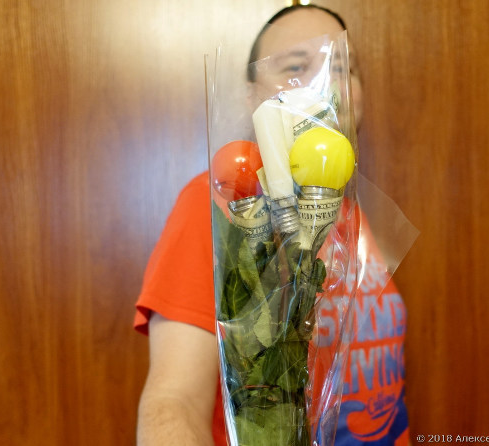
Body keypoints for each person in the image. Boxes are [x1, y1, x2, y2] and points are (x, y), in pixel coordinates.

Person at [135, 5, 409, 446]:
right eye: (297, 67)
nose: (327, 86)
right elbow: (172, 402)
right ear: (251, 97)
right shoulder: (225, 205)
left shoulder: (346, 208)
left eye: (343, 68)